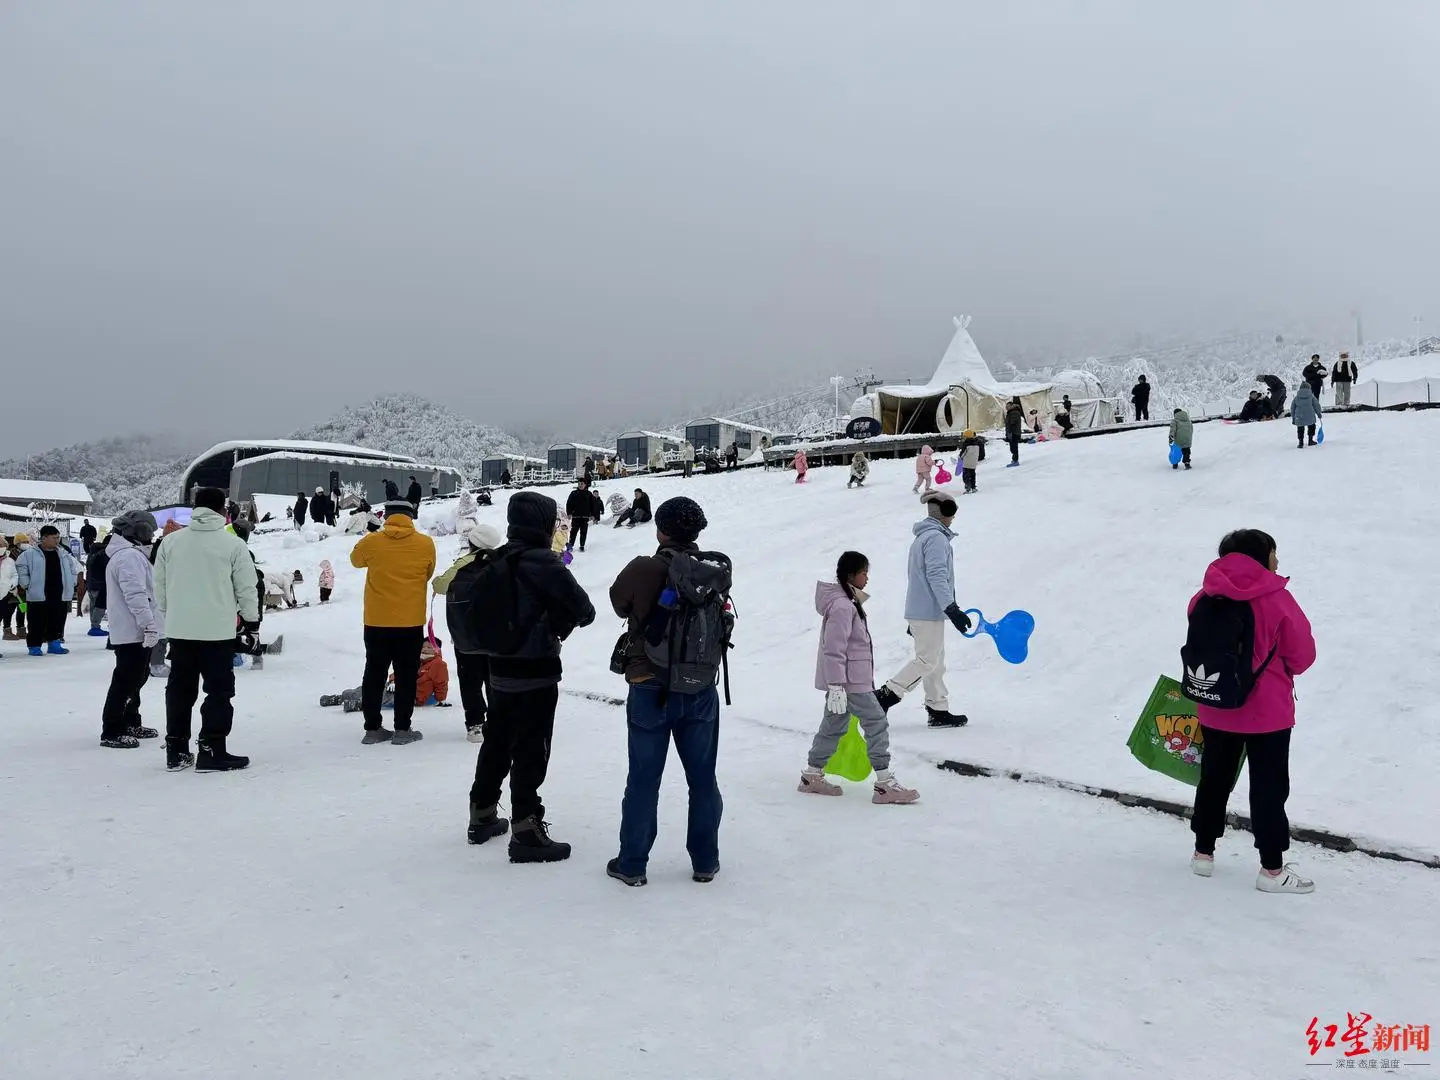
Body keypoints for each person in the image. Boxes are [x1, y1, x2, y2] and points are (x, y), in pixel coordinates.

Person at [467, 492, 595, 863]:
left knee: (497, 739)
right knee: (531, 748)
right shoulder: (545, 564)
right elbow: (585, 611)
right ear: (542, 523)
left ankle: (483, 813)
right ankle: (526, 828)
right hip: (536, 671)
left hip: (498, 670)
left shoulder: (497, 559)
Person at [1187, 529, 1316, 894]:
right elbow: (1303, 656)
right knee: (1268, 788)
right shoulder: (1278, 601)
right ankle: (1272, 871)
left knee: (1214, 778)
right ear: (1262, 557)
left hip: (1215, 705)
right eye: (1274, 552)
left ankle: (1203, 854)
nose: (1278, 559)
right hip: (1267, 714)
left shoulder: (1202, 597)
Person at [607, 496, 725, 886]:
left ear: (660, 529)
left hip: (648, 686)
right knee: (703, 778)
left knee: (643, 778)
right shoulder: (713, 569)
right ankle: (705, 861)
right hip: (700, 688)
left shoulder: (643, 568)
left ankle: (633, 864)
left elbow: (619, 605)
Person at [799, 551, 919, 804]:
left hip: (847, 682)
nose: (867, 578)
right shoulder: (843, 606)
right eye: (864, 573)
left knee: (833, 726)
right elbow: (834, 648)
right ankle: (885, 784)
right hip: (850, 683)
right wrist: (836, 686)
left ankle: (812, 775)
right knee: (876, 722)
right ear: (851, 574)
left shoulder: (848, 602)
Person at [155, 486, 259, 771]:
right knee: (218, 691)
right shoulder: (233, 545)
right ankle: (212, 749)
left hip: (180, 629)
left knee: (179, 689)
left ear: (195, 508)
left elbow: (159, 587)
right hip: (217, 632)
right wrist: (252, 624)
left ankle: (176, 750)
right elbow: (247, 589)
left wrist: (171, 613)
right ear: (223, 510)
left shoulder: (171, 542)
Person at [874, 492, 970, 727]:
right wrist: (951, 608)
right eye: (952, 512)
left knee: (936, 662)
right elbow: (937, 576)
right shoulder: (936, 539)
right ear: (944, 512)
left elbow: (918, 579)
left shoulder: (923, 538)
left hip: (926, 611)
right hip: (930, 610)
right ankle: (884, 696)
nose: (953, 517)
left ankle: (937, 708)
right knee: (927, 660)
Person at [350, 499, 437, 745]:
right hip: (409, 622)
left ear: (386, 516)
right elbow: (428, 572)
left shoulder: (372, 541)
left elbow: (355, 560)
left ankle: (373, 728)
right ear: (411, 516)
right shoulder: (425, 543)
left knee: (374, 672)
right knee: (406, 675)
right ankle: (402, 729)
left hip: (376, 621)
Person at [99, 510, 162, 748]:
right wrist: (148, 625)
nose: (152, 536)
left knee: (137, 677)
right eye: (150, 531)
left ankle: (130, 720)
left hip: (132, 629)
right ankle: (112, 729)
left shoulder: (130, 555)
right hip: (132, 630)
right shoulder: (128, 557)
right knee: (126, 680)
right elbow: (137, 595)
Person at [436, 523, 504, 743]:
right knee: (495, 680)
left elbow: (439, 586)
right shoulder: (501, 564)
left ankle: (475, 725)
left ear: (472, 543)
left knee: (469, 681)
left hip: (465, 637)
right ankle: (498, 722)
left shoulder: (462, 564)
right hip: (496, 636)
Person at [16, 525, 79, 655]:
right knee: (36, 621)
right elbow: (21, 569)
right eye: (54, 538)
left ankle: (54, 643)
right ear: (44, 538)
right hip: (38, 593)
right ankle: (34, 646)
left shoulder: (63, 553)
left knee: (57, 619)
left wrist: (72, 582)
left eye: (58, 538)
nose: (57, 540)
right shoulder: (29, 554)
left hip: (59, 593)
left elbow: (74, 569)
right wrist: (27, 584)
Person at [85, 533, 112, 636]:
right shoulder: (104, 553)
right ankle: (95, 627)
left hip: (91, 582)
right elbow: (107, 568)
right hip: (100, 583)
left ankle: (94, 625)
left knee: (94, 605)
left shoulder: (93, 552)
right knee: (100, 606)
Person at [416, 636, 450, 705]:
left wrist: (441, 699)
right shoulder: (418, 660)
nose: (425, 649)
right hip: (409, 691)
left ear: (436, 650)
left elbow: (441, 683)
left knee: (427, 683)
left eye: (429, 647)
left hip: (422, 697)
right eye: (423, 647)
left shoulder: (438, 664)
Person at [565, 478, 595, 554]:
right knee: (573, 532)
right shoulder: (574, 493)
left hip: (585, 517)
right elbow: (569, 503)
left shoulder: (589, 494)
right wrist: (569, 513)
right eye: (579, 484)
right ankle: (570, 546)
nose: (580, 485)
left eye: (582, 484)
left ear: (585, 485)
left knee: (583, 532)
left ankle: (582, 546)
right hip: (575, 516)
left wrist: (592, 515)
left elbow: (593, 505)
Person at [1291, 382, 1321, 448]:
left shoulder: (1296, 397)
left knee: (1300, 429)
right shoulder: (1311, 396)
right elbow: (1316, 405)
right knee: (1311, 426)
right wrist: (1319, 414)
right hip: (1310, 415)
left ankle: (1300, 442)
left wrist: (1293, 416)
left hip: (1299, 416)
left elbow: (1292, 407)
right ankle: (1310, 440)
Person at [1004, 398, 1025, 467]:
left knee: (1014, 447)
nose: (1006, 408)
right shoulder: (1011, 412)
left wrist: (1010, 431)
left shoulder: (1014, 412)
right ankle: (1014, 460)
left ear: (1011, 406)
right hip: (1011, 432)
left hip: (1014, 432)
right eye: (1006, 406)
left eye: (1007, 406)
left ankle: (1015, 461)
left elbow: (1012, 422)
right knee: (1012, 447)